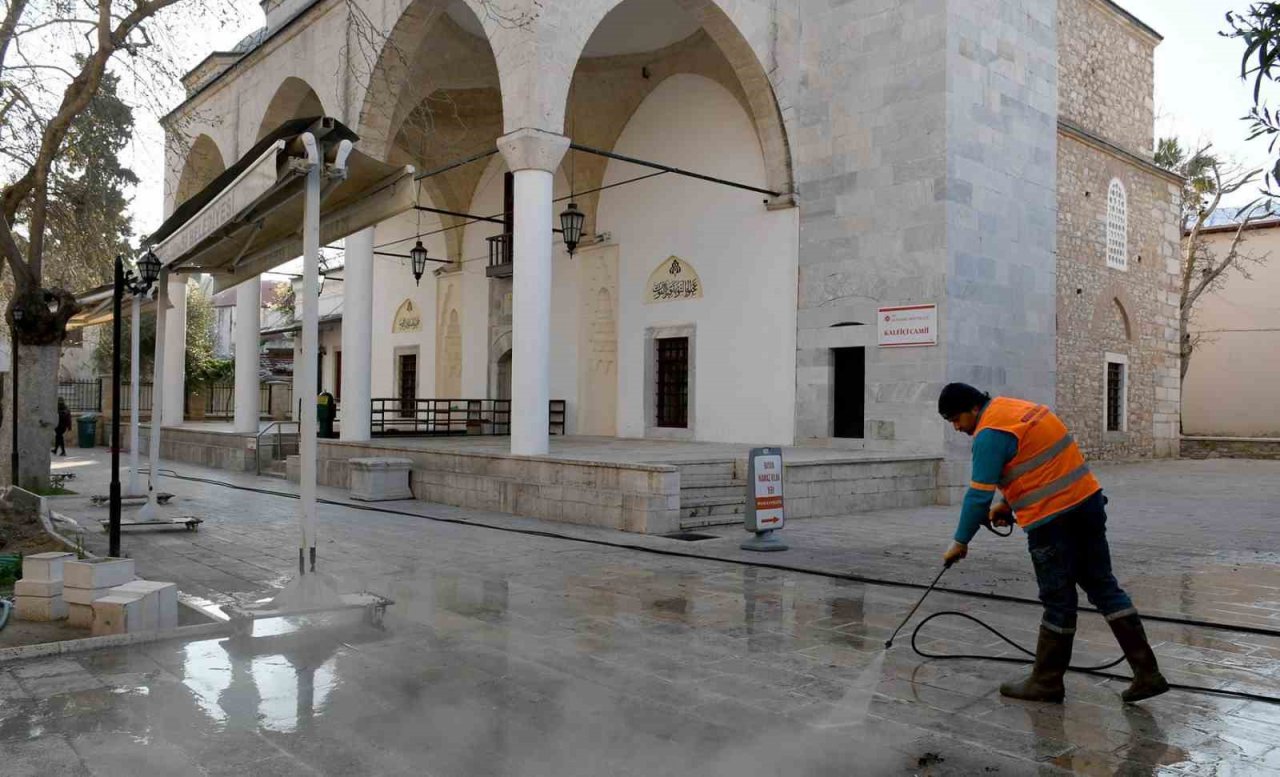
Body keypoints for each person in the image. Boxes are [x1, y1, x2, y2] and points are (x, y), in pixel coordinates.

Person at [937, 382, 1168, 704]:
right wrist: (1008, 501)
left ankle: (1046, 682)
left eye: (955, 419)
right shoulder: (1021, 409)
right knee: (1103, 586)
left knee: (1058, 600)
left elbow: (977, 497)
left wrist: (960, 542)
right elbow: (1037, 462)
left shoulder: (989, 433)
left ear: (973, 408)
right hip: (1087, 506)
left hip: (1052, 524)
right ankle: (1148, 674)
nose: (956, 427)